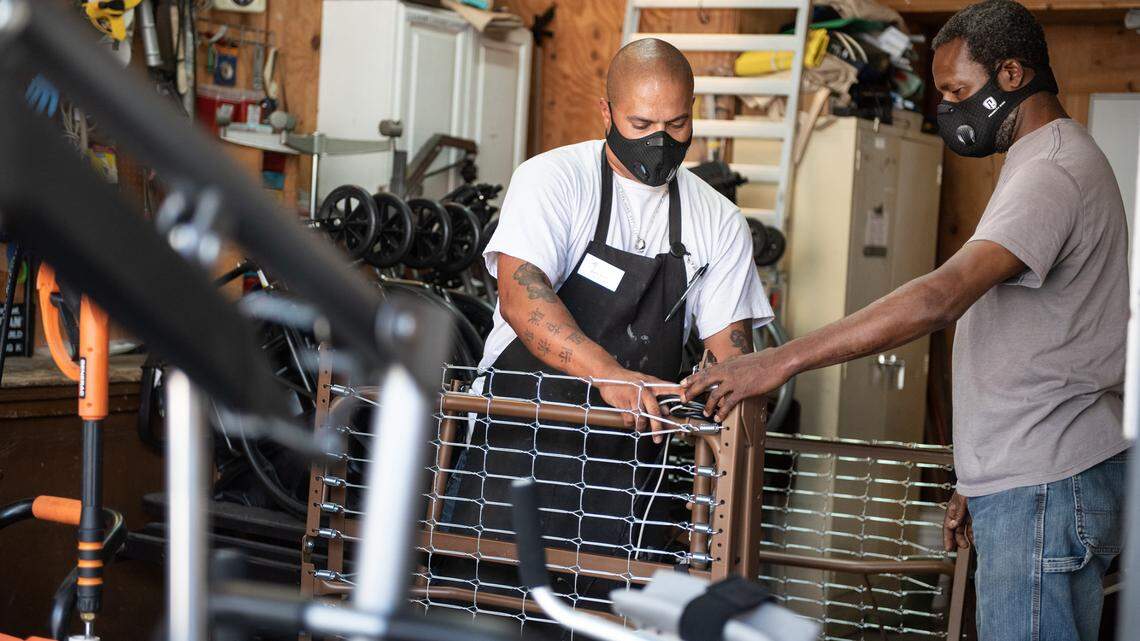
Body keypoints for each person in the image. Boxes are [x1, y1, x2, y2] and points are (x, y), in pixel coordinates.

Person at [680, 1, 1129, 638]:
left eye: (957, 91)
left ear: (1010, 74)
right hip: (1034, 478)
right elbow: (1038, 342)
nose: (948, 109)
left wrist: (777, 360)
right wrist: (982, 475)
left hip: (1047, 486)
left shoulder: (1051, 172)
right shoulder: (1045, 159)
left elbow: (942, 297)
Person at [440, 37, 770, 571]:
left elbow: (731, 360)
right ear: (607, 111)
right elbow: (524, 300)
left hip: (631, 468)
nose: (659, 142)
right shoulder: (552, 180)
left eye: (677, 125)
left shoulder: (719, 222)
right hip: (519, 444)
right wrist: (608, 373)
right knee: (477, 608)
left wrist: (719, 401)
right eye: (640, 126)